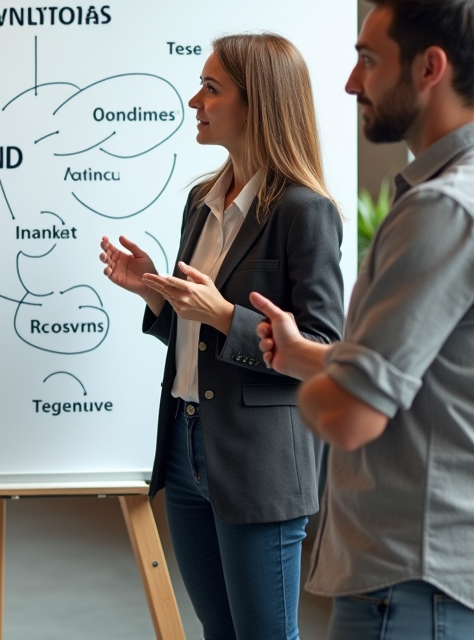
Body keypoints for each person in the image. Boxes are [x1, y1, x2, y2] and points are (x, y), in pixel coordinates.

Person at [253, 0, 474, 640]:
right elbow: (442, 370)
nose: (350, 83)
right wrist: (315, 356)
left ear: (431, 67)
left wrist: (306, 387)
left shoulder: (442, 211)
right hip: (451, 564)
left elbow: (351, 418)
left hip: (410, 579)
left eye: (368, 60)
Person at [98, 33, 344, 639]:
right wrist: (156, 297)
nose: (194, 102)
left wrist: (222, 315)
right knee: (219, 631)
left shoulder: (304, 211)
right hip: (184, 446)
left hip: (258, 461)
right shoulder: (198, 202)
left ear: (256, 102)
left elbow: (324, 349)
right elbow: (196, 338)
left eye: (211, 89)